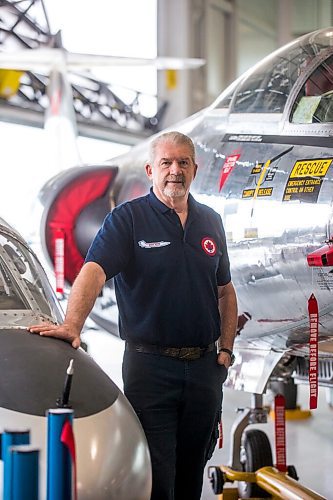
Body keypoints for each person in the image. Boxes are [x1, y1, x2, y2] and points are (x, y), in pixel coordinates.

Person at [28, 131, 238, 500]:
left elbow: (225, 290)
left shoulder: (210, 221)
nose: (175, 171)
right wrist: (72, 325)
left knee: (193, 468)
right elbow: (94, 271)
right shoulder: (127, 219)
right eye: (166, 163)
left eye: (183, 163)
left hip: (205, 369)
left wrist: (226, 351)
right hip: (150, 368)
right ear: (150, 170)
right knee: (157, 473)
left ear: (195, 168)